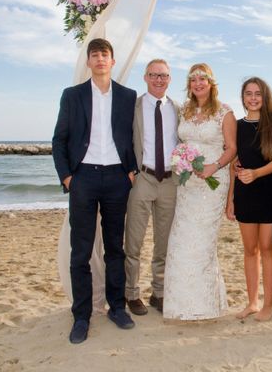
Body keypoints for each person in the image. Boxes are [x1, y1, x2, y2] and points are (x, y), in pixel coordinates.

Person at [52, 38, 138, 344]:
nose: (100, 59)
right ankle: (81, 316)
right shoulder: (72, 96)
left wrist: (132, 171)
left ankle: (117, 307)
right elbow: (59, 140)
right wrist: (67, 178)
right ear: (88, 62)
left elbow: (136, 136)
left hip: (117, 178)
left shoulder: (128, 97)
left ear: (113, 61)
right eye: (95, 55)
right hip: (83, 179)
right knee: (82, 251)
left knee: (115, 248)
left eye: (105, 54)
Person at [162, 63, 237, 320]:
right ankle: (179, 305)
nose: (197, 83)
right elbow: (181, 143)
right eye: (193, 79)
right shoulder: (184, 110)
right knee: (180, 241)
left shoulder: (224, 112)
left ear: (211, 82)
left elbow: (231, 148)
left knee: (202, 244)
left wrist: (213, 166)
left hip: (212, 184)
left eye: (202, 78)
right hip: (187, 185)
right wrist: (181, 160)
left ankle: (205, 306)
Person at [225, 78, 272, 322]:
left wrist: (256, 173)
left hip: (270, 192)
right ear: (243, 97)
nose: (253, 98)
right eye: (248, 94)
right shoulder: (238, 126)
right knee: (249, 250)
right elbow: (233, 166)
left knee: (267, 249)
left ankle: (268, 305)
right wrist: (230, 200)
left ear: (265, 96)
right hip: (245, 194)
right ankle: (252, 303)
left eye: (257, 93)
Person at [124, 59, 179, 316]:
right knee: (133, 241)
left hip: (170, 181)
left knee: (164, 243)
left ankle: (158, 293)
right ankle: (131, 294)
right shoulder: (132, 106)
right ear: (145, 77)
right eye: (154, 75)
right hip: (142, 179)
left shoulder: (178, 109)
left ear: (170, 79)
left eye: (164, 75)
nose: (159, 80)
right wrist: (129, 170)